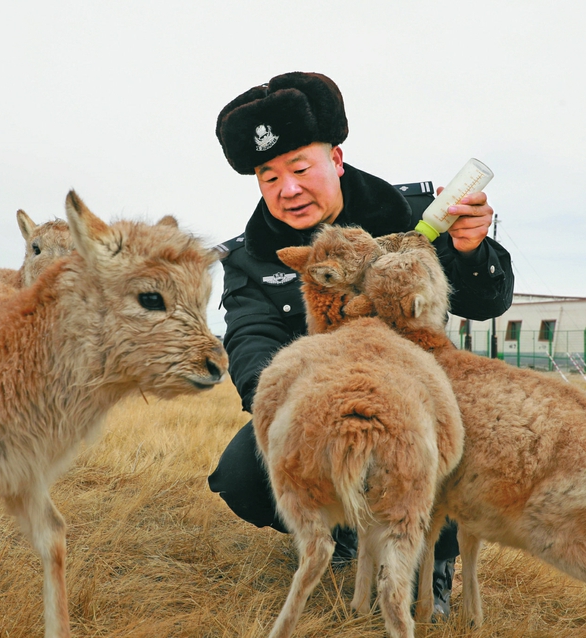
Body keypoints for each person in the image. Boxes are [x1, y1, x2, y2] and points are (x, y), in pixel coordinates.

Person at [207, 71, 514, 619]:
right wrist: (294, 409)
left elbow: (487, 301)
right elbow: (251, 338)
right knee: (241, 475)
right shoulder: (249, 258)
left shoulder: (417, 217)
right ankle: (343, 532)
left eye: (300, 168)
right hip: (320, 402)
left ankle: (434, 560)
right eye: (269, 177)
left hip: (421, 400)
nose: (288, 189)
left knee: (449, 440)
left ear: (336, 159)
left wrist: (470, 250)